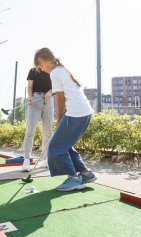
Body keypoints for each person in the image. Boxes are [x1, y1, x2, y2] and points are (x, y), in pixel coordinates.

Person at [34, 48, 97, 191]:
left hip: (75, 113)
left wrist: (59, 118)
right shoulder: (62, 69)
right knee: (65, 145)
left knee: (55, 147)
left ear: (49, 59)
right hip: (85, 112)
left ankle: (74, 178)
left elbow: (60, 99)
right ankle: (86, 174)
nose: (42, 69)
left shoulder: (55, 73)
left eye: (41, 65)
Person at [21, 67, 54, 172]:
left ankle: (45, 159)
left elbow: (56, 85)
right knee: (30, 130)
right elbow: (30, 86)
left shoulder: (52, 70)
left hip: (48, 100)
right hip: (35, 99)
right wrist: (30, 97)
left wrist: (51, 91)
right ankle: (26, 160)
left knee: (48, 131)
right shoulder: (33, 70)